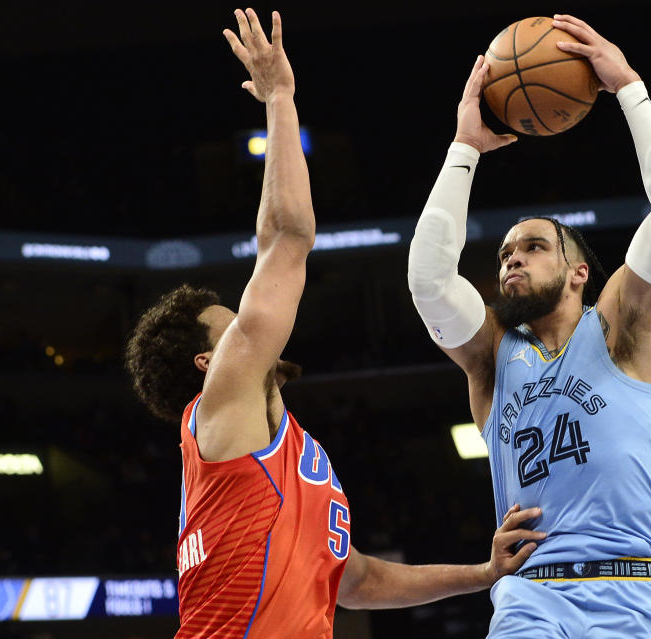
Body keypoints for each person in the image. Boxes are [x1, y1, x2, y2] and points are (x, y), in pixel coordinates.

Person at [124, 9, 545, 638]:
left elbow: (356, 582)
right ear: (209, 366)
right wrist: (281, 98)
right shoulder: (219, 411)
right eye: (233, 325)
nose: (251, 324)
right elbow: (287, 238)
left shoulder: (278, 445)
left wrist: (483, 574)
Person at [407, 14, 651, 638]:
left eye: (534, 247)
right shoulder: (491, 355)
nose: (512, 257)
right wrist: (464, 148)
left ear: (578, 274)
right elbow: (428, 281)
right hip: (530, 594)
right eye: (506, 252)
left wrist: (629, 88)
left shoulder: (622, 329)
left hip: (635, 589)